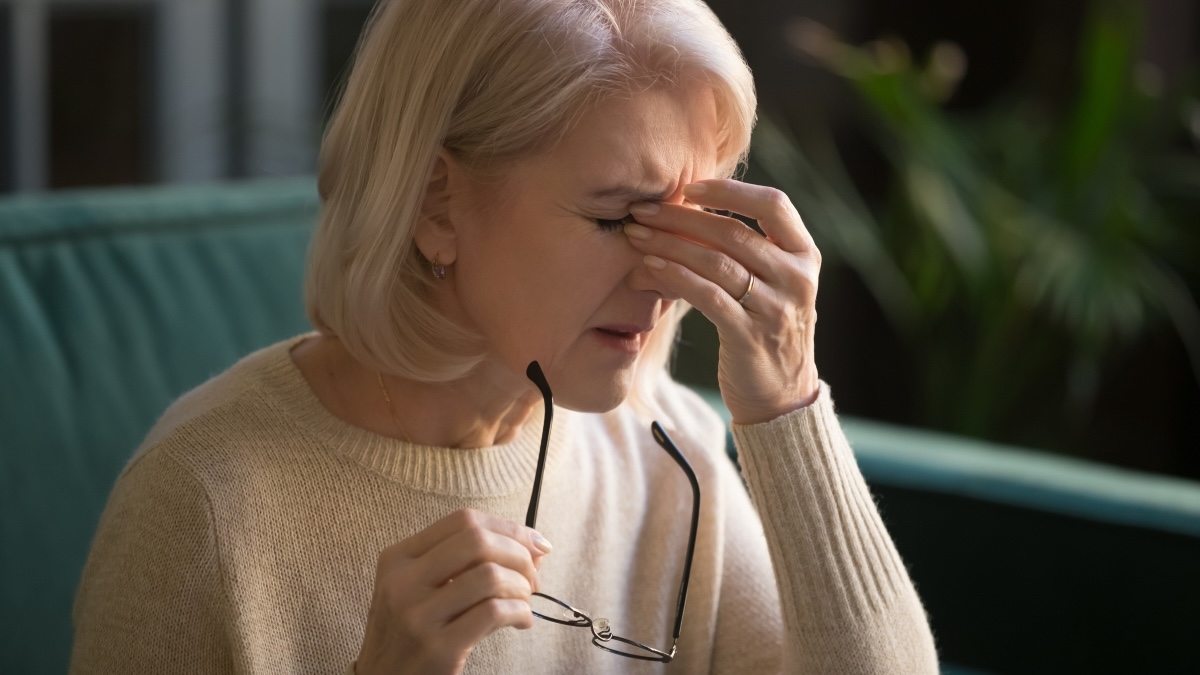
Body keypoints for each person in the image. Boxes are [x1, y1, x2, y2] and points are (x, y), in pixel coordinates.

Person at [70, 0, 940, 672]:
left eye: (695, 219)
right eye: (617, 218)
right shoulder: (202, 502)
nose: (667, 276)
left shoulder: (671, 450)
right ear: (435, 204)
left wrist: (788, 404)